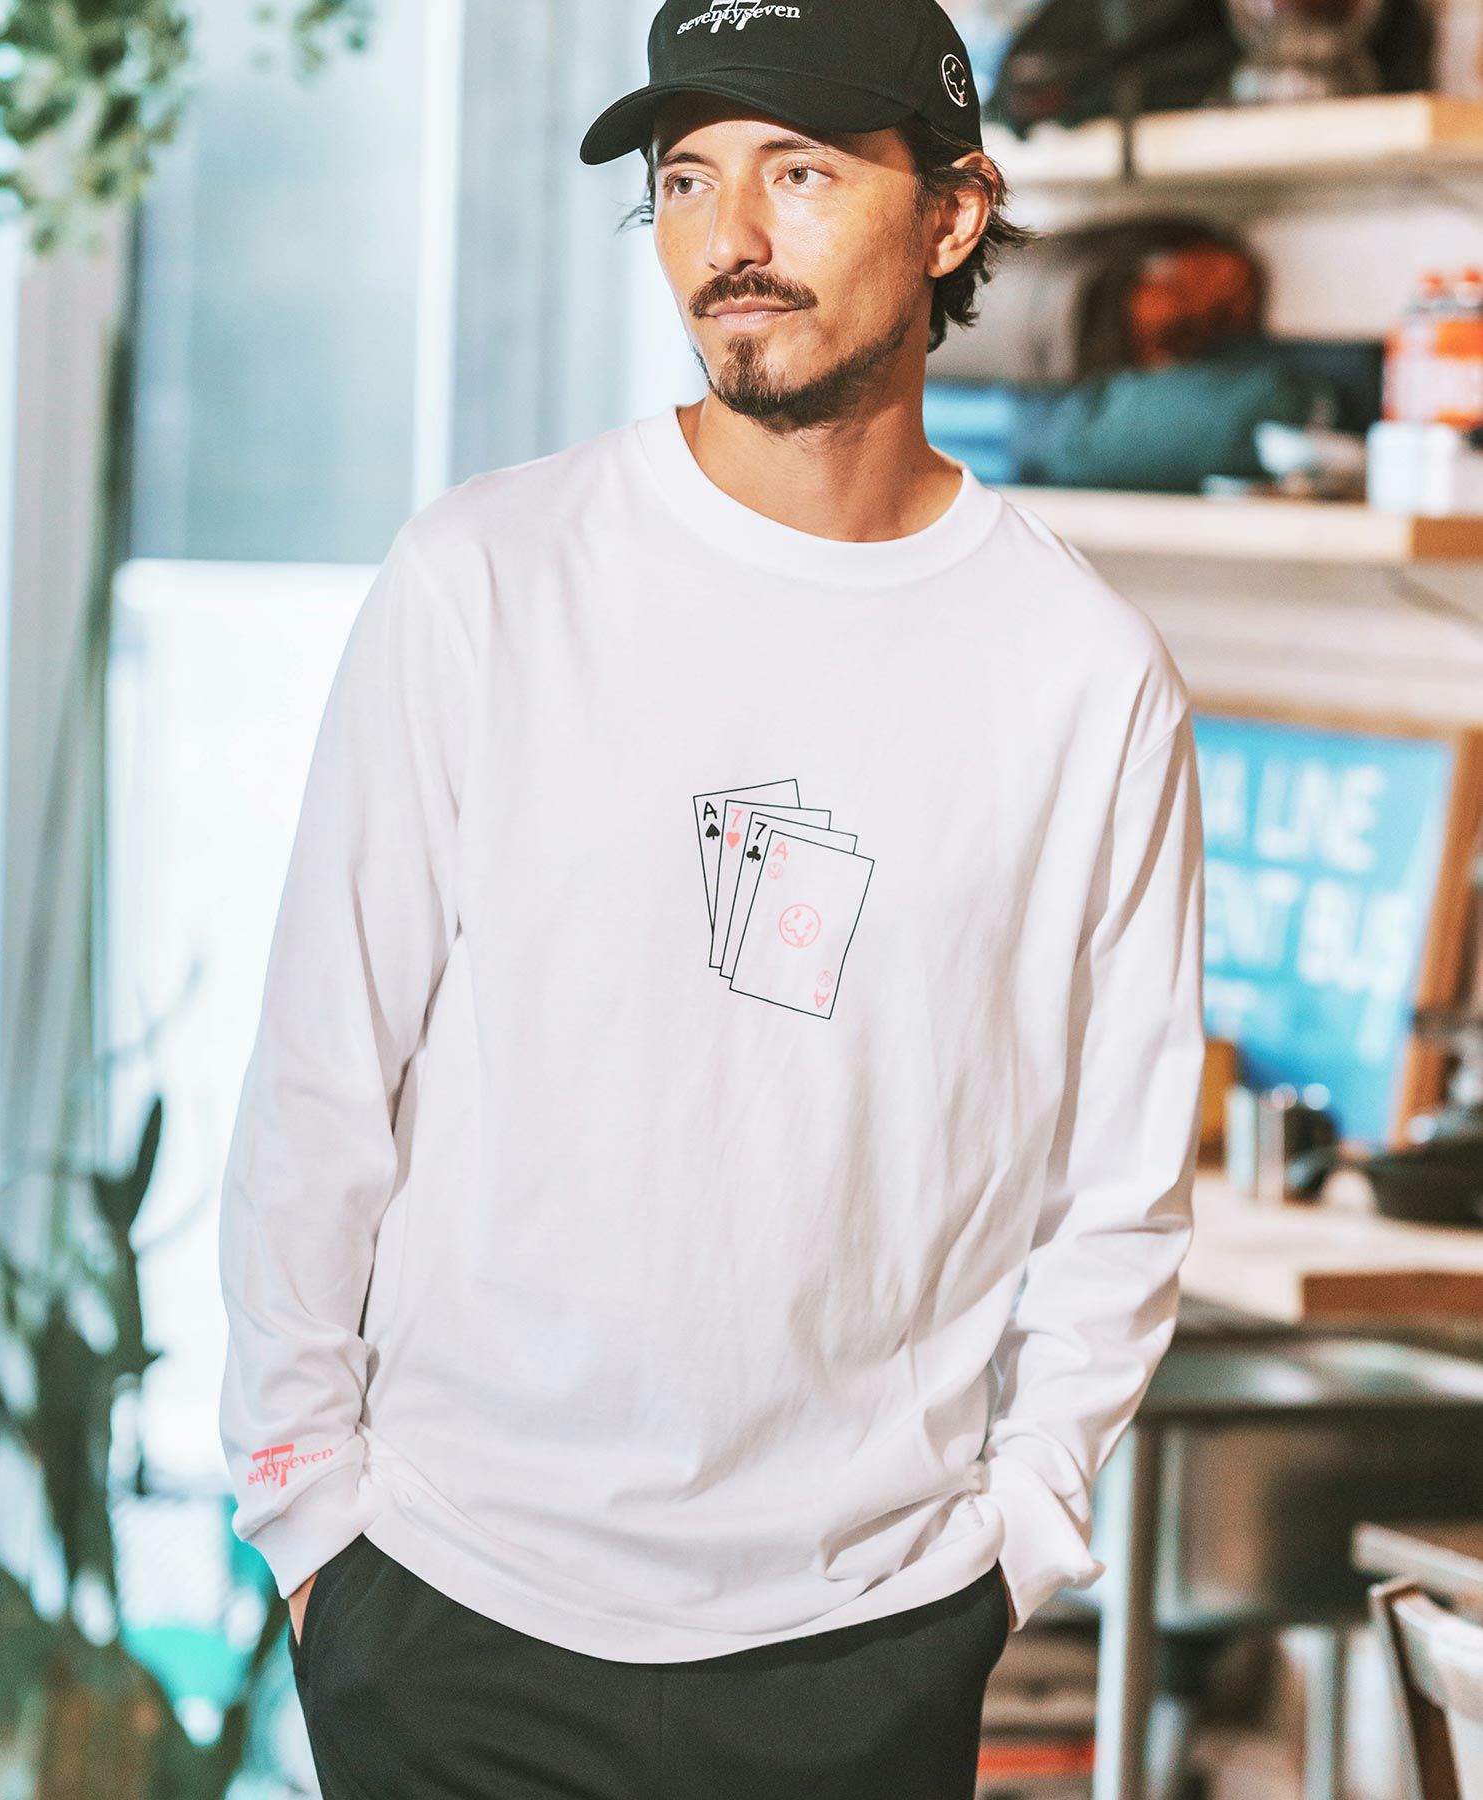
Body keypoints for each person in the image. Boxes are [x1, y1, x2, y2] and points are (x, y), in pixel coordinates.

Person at [216, 0, 1207, 1793]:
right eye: (687, 180)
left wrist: (1017, 1544)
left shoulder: (1083, 672)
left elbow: (1122, 1183)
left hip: (862, 1644)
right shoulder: (486, 577)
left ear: (955, 213)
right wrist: (308, 1522)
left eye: (800, 173)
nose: (727, 238)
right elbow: (320, 1080)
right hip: (449, 1611)